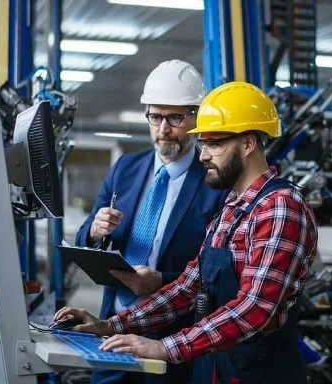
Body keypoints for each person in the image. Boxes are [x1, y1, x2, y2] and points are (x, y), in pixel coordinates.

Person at [58, 81, 318, 384]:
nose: (203, 155)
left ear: (248, 144)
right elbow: (189, 289)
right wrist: (110, 325)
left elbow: (255, 308)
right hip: (217, 368)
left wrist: (165, 347)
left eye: (214, 143)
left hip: (259, 372)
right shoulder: (233, 206)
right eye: (203, 143)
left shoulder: (281, 207)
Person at [75, 59, 227, 384]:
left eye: (175, 118)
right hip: (114, 326)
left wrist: (160, 281)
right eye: (155, 117)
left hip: (172, 339)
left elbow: (218, 275)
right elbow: (83, 236)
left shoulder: (215, 184)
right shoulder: (125, 169)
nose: (163, 129)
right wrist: (93, 230)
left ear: (196, 118)